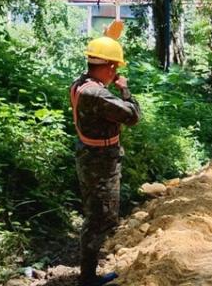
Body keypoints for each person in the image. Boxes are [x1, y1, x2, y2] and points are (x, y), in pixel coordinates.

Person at [70, 34, 141, 286]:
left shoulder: (81, 85)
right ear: (110, 66)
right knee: (101, 217)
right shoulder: (97, 95)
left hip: (91, 156)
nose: (116, 73)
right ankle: (88, 279)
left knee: (97, 215)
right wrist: (125, 89)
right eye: (116, 68)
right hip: (100, 162)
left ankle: (88, 275)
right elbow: (132, 116)